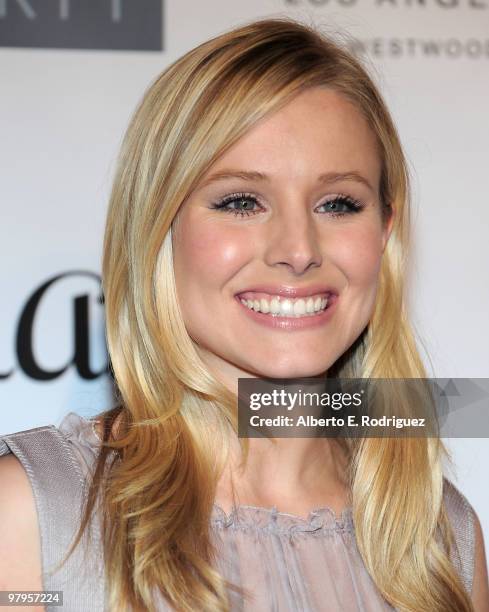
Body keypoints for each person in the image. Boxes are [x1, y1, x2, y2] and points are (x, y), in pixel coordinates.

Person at [0, 16, 488, 612]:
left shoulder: (438, 540)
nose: (298, 249)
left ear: (385, 233)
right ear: (157, 228)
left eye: (339, 203)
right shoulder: (34, 519)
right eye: (241, 201)